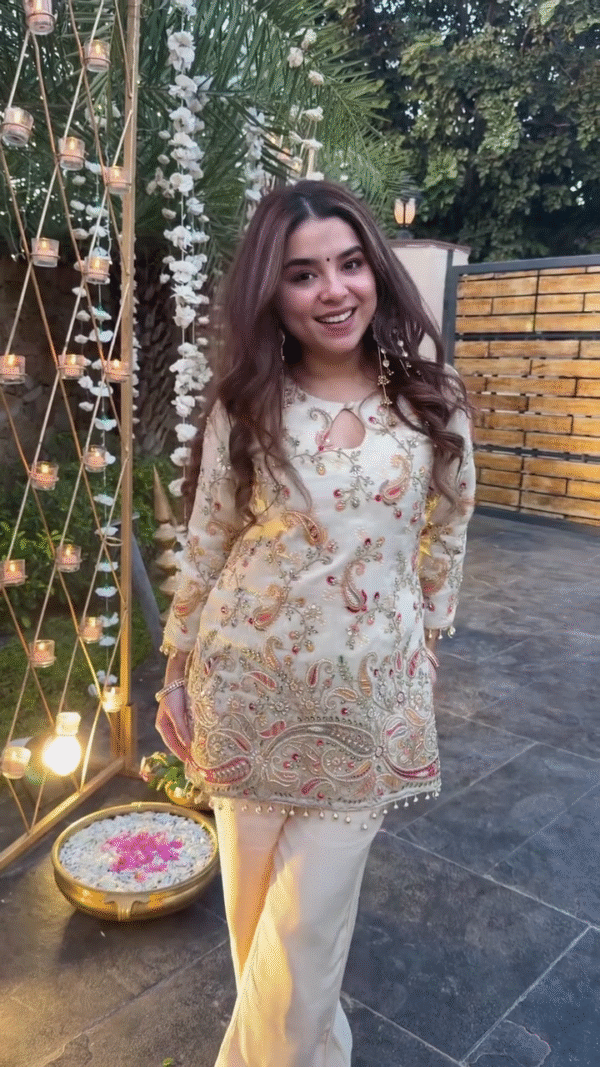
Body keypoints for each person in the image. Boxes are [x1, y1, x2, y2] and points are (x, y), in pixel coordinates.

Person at [156, 180, 476, 1067]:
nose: (334, 290)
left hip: (366, 704)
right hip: (244, 691)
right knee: (257, 929)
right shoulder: (247, 404)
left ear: (376, 272)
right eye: (303, 274)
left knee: (300, 939)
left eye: (349, 263)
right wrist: (175, 670)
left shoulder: (430, 401)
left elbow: (449, 525)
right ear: (274, 292)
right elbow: (209, 539)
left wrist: (428, 633)